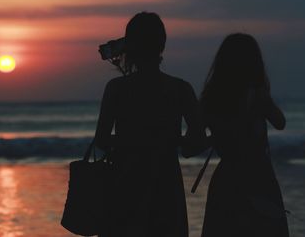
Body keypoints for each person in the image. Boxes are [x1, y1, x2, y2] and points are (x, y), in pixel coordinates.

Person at [94, 12, 206, 237]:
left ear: (129, 44)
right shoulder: (180, 89)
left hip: (125, 184)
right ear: (161, 46)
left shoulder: (116, 88)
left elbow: (102, 140)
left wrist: (130, 141)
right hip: (165, 186)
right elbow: (194, 145)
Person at [199, 33, 289, 237]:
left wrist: (218, 136)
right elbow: (280, 122)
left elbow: (192, 145)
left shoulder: (211, 98)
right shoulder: (258, 96)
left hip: (227, 179)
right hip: (259, 177)